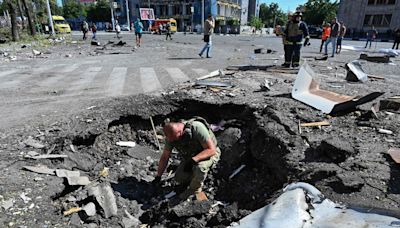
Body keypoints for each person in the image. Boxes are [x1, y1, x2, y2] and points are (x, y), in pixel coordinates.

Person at [152, 117, 220, 200]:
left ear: (180, 132)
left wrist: (194, 160)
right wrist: (158, 176)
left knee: (200, 167)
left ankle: (194, 190)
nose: (172, 141)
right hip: (191, 156)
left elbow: (211, 150)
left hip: (209, 153)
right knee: (179, 178)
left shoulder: (197, 128)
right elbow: (165, 157)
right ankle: (191, 179)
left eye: (175, 139)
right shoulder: (171, 137)